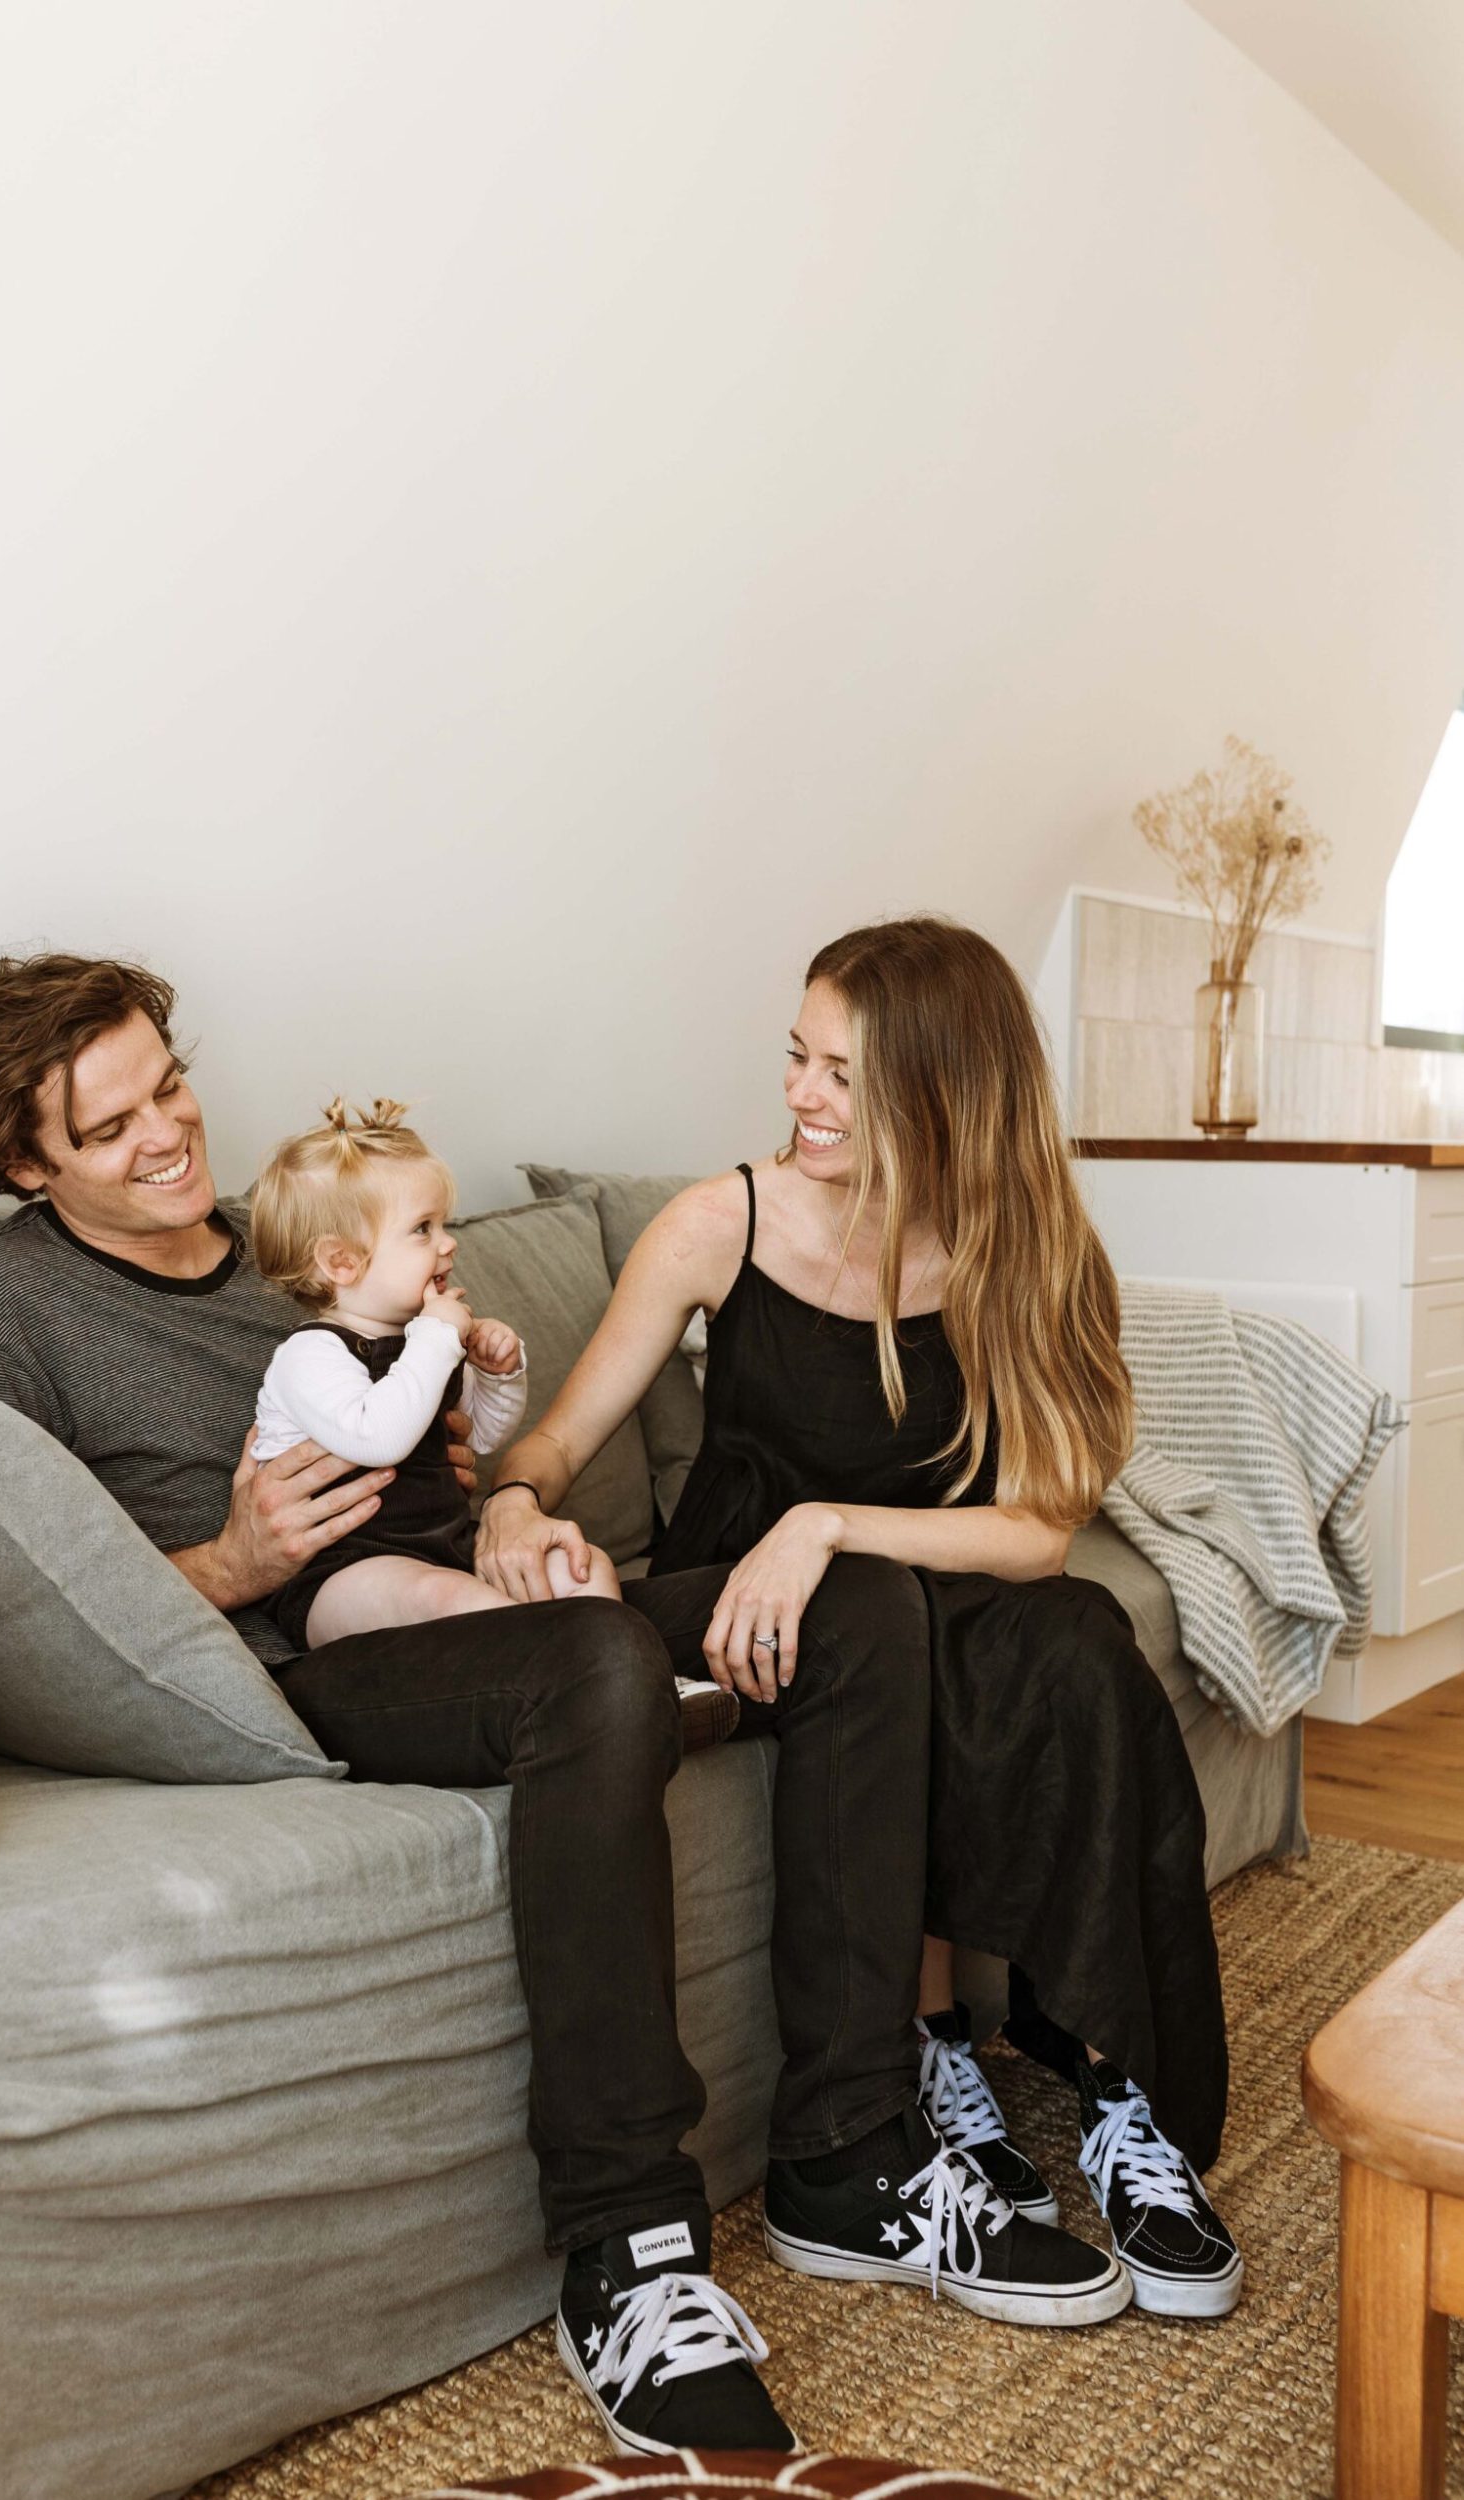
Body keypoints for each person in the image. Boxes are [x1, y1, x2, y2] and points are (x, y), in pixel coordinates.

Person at [0, 950, 1125, 2467]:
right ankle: (625, 2250)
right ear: (24, 1164)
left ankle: (845, 2153)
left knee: (852, 1597)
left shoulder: (300, 1239)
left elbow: (467, 1449)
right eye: (110, 1130)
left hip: (452, 1595)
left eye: (167, 1085)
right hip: (304, 1661)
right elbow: (1, 1617)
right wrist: (230, 1562)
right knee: (597, 1664)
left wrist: (511, 1513)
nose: (169, 1136)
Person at [478, 915, 1243, 2327]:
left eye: (842, 1075)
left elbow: (1038, 1528)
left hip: (914, 1582)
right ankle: (929, 2043)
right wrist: (515, 1515)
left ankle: (1117, 2099)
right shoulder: (722, 1222)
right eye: (796, 1059)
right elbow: (551, 1444)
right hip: (757, 1627)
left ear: (946, 1095)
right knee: (903, 1630)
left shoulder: (1031, 1250)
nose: (800, 1098)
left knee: (1077, 1644)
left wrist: (824, 1521)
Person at [247, 1093, 618, 1649]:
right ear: (341, 1262)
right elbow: (379, 1437)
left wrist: (496, 1374)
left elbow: (484, 1435)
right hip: (341, 1573)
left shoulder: (422, 1340)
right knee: (456, 1602)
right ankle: (568, 1689)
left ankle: (639, 1686)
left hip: (445, 1547)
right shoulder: (310, 1354)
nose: (448, 1243)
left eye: (442, 1224)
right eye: (422, 1228)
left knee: (581, 1566)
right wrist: (440, 1336)